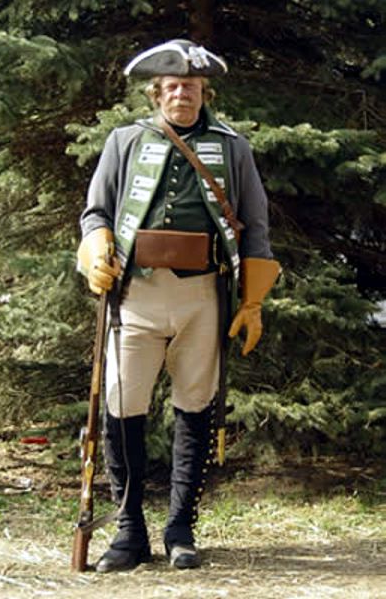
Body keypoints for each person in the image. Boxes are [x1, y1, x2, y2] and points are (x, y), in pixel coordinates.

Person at [77, 39, 280, 572]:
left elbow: (256, 225)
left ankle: (181, 529)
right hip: (136, 295)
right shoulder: (124, 141)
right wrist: (96, 250)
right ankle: (129, 531)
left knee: (196, 405)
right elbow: (96, 212)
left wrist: (252, 301)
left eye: (191, 86)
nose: (181, 94)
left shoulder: (232, 147)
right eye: (172, 86)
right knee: (122, 404)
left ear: (204, 92)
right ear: (157, 93)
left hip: (202, 295)